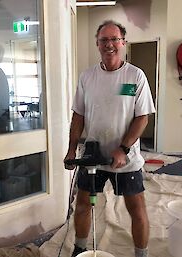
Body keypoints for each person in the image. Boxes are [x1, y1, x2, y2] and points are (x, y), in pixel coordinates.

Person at [64, 20, 155, 257]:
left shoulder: (135, 76)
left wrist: (123, 149)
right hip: (93, 155)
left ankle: (141, 254)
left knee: (136, 208)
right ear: (97, 44)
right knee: (83, 205)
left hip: (124, 157)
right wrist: (72, 150)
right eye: (104, 40)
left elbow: (142, 117)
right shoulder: (87, 77)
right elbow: (78, 115)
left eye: (115, 39)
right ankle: (80, 248)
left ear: (123, 43)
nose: (109, 44)